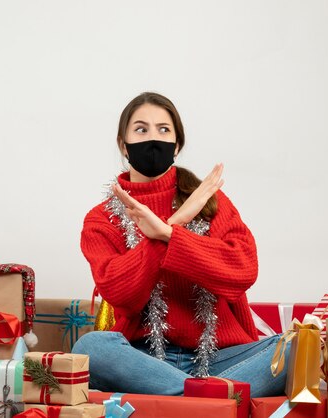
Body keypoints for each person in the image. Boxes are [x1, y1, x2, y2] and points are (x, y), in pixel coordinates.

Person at [72, 92, 288, 397]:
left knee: (295, 347)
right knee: (90, 348)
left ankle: (189, 399)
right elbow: (122, 294)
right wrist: (173, 224)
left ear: (177, 145)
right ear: (123, 144)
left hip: (220, 359)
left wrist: (170, 235)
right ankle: (210, 400)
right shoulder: (101, 219)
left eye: (163, 129)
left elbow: (243, 270)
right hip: (143, 362)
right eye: (141, 129)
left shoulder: (209, 201)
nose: (152, 138)